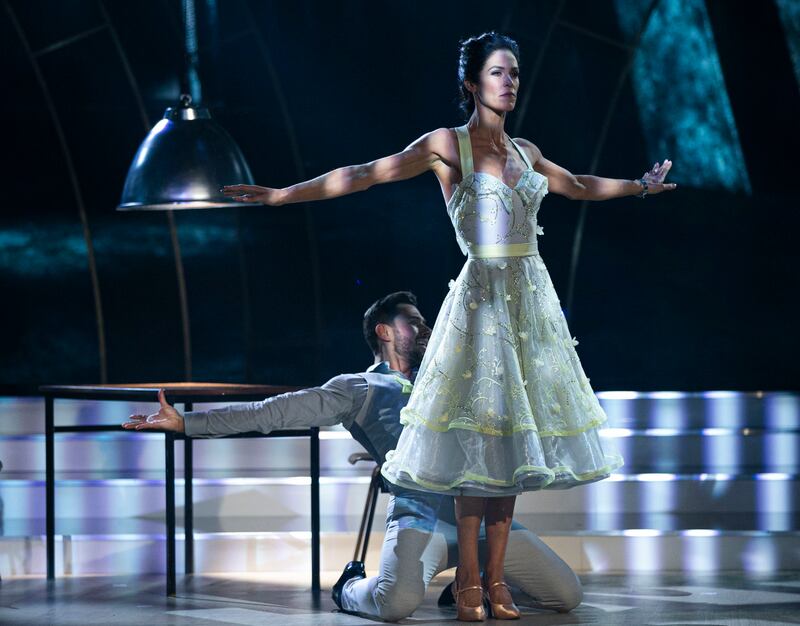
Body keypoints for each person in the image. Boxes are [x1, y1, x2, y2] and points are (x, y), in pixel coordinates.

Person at [222, 32, 675, 621]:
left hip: (529, 307)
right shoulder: (447, 145)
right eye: (497, 72)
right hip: (482, 303)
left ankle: (496, 582)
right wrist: (284, 195)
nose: (509, 81)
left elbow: (580, 185)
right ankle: (467, 585)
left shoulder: (527, 151)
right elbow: (365, 173)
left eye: (514, 72)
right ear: (471, 83)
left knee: (512, 443)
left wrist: (640, 187)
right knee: (477, 440)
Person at [122, 291, 583, 621]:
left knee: (566, 595)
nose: (424, 328)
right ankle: (348, 589)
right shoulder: (358, 387)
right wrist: (188, 422)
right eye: (413, 321)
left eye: (424, 322)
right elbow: (275, 412)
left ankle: (473, 579)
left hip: (481, 518)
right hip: (420, 514)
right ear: (384, 331)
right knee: (396, 606)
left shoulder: (447, 379)